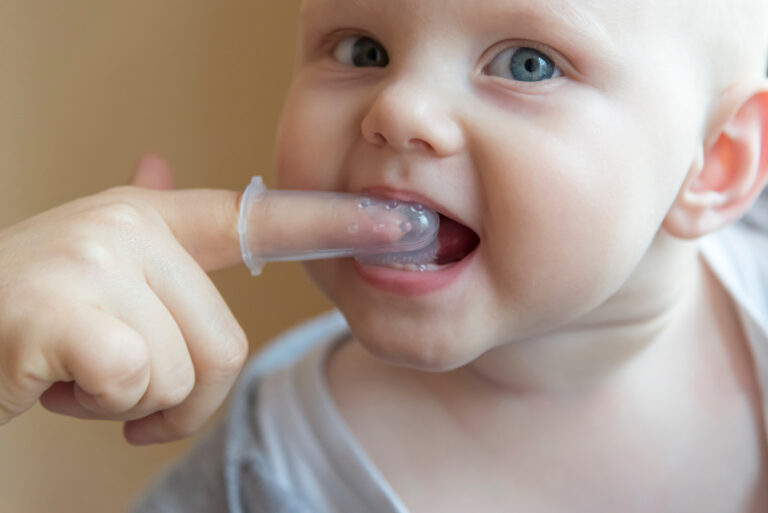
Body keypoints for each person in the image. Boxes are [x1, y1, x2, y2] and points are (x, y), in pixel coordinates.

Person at [2, 0, 768, 511]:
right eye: (362, 48)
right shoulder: (264, 478)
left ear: (717, 163)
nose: (397, 108)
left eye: (527, 63)